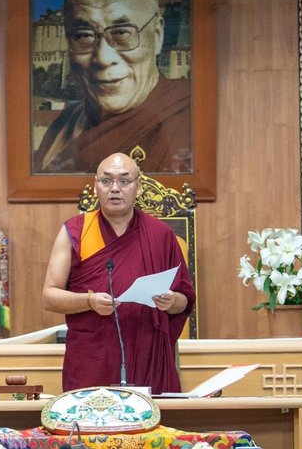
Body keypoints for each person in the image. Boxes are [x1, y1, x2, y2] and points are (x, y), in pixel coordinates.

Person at [42, 152, 194, 393]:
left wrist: (171, 300)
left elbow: (184, 301)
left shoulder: (161, 235)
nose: (115, 188)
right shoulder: (75, 231)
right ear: (95, 186)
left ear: (138, 186)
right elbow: (49, 296)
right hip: (93, 357)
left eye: (124, 181)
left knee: (150, 417)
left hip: (147, 353)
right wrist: (89, 301)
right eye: (106, 180)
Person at [32, 0, 191, 175]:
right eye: (83, 36)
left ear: (157, 35)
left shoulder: (186, 121)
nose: (103, 58)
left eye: (122, 33)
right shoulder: (62, 126)